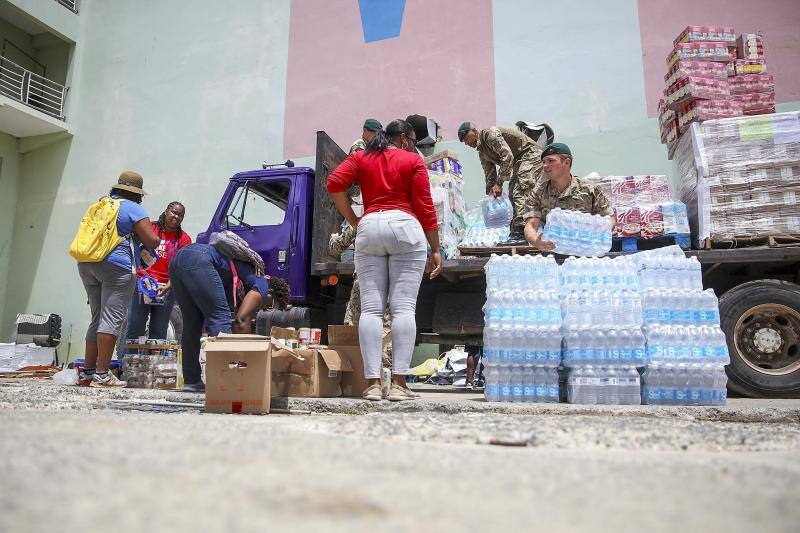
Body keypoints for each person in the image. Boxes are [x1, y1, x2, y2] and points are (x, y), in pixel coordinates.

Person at [327, 119, 442, 402]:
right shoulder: (412, 161)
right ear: (403, 139)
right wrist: (436, 248)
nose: (412, 147)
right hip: (405, 228)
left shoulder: (361, 157)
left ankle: (373, 385)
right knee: (403, 309)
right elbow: (425, 206)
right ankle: (400, 385)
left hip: (370, 228)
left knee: (370, 310)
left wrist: (353, 219)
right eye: (412, 142)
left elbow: (334, 184)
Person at [77, 171, 161, 387]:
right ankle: (102, 374)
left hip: (87, 263)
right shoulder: (134, 208)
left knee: (97, 317)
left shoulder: (101, 204)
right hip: (117, 267)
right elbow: (151, 241)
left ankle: (87, 373)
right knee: (111, 318)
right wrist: (155, 235)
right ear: (137, 194)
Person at [168, 242, 287, 392]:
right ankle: (229, 381)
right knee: (221, 317)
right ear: (271, 294)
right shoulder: (263, 285)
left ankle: (192, 381)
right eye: (270, 306)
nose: (263, 308)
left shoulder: (247, 281)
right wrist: (245, 358)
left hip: (178, 260)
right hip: (201, 259)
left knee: (192, 324)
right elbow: (241, 321)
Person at [458, 122, 544, 243]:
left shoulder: (490, 134)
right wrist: (489, 198)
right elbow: (489, 175)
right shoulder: (482, 152)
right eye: (464, 141)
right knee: (512, 192)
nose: (466, 143)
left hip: (530, 154)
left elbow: (507, 156)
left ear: (474, 131)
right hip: (519, 161)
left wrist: (499, 184)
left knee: (520, 190)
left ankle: (522, 230)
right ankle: (517, 230)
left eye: (466, 138)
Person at [122, 202, 191, 350]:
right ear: (166, 212)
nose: (177, 217)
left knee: (159, 331)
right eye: (174, 212)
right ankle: (127, 361)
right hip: (142, 284)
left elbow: (181, 267)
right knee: (135, 327)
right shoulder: (150, 228)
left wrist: (169, 285)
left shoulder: (184, 239)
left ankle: (155, 363)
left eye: (181, 215)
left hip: (165, 288)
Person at [522, 142, 614, 250]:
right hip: (552, 253)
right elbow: (530, 225)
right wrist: (536, 242)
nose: (545, 165)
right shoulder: (538, 193)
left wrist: (596, 234)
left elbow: (609, 219)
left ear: (566, 162)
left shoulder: (589, 190)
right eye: (543, 162)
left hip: (585, 253)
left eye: (551, 161)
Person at [329, 224, 392, 369]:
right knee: (386, 332)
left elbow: (336, 247)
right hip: (389, 283)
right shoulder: (397, 223)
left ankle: (356, 372)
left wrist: (333, 237)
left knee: (354, 329)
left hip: (364, 283)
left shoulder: (362, 221)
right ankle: (384, 375)